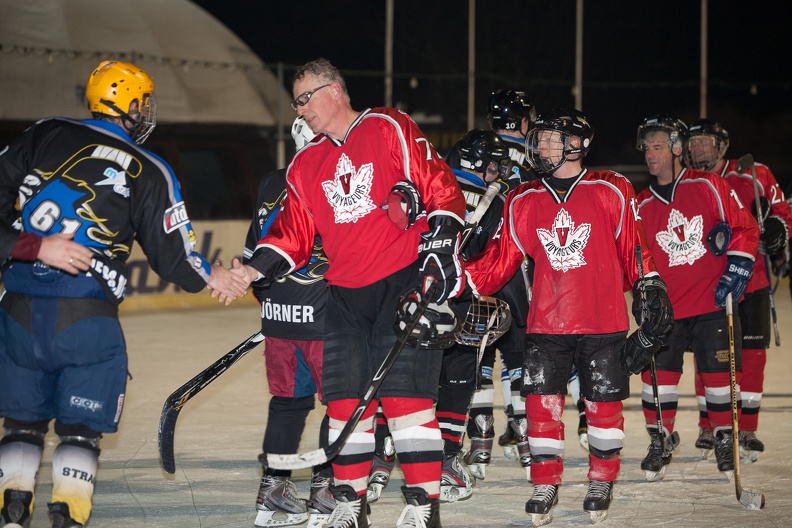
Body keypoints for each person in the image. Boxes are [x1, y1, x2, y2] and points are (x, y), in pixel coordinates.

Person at [0, 60, 248, 528]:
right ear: (129, 104)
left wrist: (31, 245)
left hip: (16, 311)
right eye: (143, 101)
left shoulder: (43, 132)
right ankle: (67, 514)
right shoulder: (148, 167)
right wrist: (213, 276)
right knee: (79, 432)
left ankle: (14, 512)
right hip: (85, 318)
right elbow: (174, 255)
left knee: (22, 426)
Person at [232, 58, 466, 528]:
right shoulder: (305, 163)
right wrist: (251, 272)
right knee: (343, 407)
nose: (300, 111)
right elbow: (290, 237)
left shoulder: (386, 125)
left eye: (305, 99)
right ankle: (348, 504)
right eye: (295, 103)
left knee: (406, 404)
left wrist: (440, 247)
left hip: (400, 282)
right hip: (342, 296)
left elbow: (440, 185)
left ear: (334, 91)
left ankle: (424, 506)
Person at [462, 108, 673, 525]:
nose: (539, 146)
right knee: (540, 405)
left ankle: (601, 478)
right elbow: (500, 261)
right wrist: (456, 280)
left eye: (550, 139)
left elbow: (635, 250)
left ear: (577, 144)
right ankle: (544, 481)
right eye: (538, 138)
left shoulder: (612, 189)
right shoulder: (523, 199)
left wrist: (649, 286)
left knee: (602, 406)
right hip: (546, 323)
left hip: (603, 321)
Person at [634, 115, 759, 481]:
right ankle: (660, 438)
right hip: (667, 312)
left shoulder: (710, 186)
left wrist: (737, 266)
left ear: (676, 148)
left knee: (719, 378)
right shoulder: (640, 204)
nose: (649, 154)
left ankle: (723, 437)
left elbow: (744, 226)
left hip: (711, 305)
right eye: (646, 147)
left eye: (657, 146)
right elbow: (633, 252)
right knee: (658, 380)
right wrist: (642, 290)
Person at [684, 118, 792, 463]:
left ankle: (747, 427)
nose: (698, 148)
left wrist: (778, 229)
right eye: (693, 143)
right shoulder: (689, 182)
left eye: (705, 141)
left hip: (754, 280)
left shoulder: (754, 173)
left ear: (721, 145)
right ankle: (708, 424)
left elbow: (781, 212)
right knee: (711, 355)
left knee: (753, 354)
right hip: (711, 284)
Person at [246, 116, 336, 527]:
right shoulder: (332, 176)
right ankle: (325, 487)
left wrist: (273, 303)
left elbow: (255, 254)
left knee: (287, 403)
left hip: (280, 317)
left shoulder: (269, 182)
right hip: (326, 315)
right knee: (341, 403)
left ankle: (273, 489)